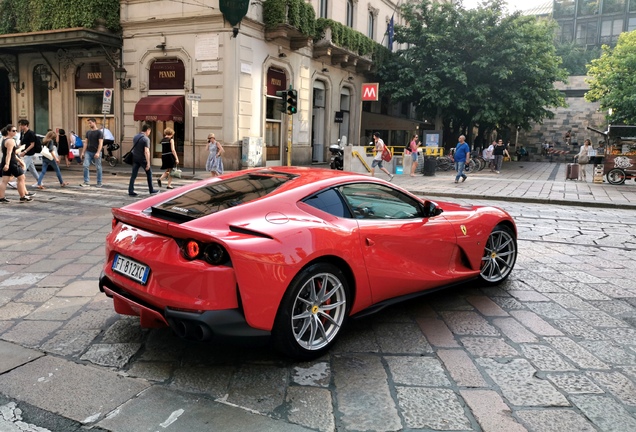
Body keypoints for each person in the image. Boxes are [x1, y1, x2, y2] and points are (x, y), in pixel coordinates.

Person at [1, 124, 32, 203]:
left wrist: (7, 163)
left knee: (4, 181)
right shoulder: (11, 141)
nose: (15, 132)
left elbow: (10, 154)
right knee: (21, 178)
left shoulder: (4, 140)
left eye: (15, 130)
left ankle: (1, 198)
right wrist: (21, 148)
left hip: (6, 161)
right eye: (13, 131)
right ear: (8, 131)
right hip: (12, 163)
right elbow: (10, 153)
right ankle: (22, 196)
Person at [128, 124, 158, 197]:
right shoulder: (146, 139)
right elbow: (146, 151)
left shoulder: (135, 137)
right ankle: (151, 190)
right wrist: (148, 163)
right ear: (147, 130)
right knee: (149, 174)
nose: (149, 133)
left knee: (133, 175)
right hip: (143, 159)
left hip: (135, 158)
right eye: (149, 131)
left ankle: (130, 190)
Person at [81, 118, 103, 187]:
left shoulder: (99, 132)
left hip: (96, 151)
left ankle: (99, 182)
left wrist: (98, 152)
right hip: (89, 151)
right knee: (85, 165)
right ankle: (86, 181)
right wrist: (82, 152)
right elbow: (86, 143)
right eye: (89, 123)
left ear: (94, 122)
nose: (89, 124)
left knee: (98, 167)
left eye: (90, 123)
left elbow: (100, 143)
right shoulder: (88, 132)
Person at [17, 119, 40, 186]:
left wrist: (25, 151)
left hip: (29, 153)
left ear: (26, 125)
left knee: (23, 168)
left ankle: (18, 182)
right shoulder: (22, 133)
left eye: (21, 125)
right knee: (32, 169)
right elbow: (21, 142)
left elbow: (32, 144)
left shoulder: (31, 133)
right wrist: (17, 148)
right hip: (24, 153)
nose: (20, 126)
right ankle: (39, 181)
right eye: (20, 125)